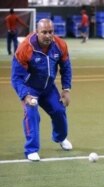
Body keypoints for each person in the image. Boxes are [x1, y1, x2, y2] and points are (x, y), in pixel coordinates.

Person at [11, 19, 73, 162]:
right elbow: (16, 77)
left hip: (49, 88)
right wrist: (24, 95)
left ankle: (60, 138)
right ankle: (31, 150)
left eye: (50, 32)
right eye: (44, 32)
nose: (48, 35)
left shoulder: (60, 45)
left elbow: (66, 68)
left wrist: (66, 89)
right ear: (37, 32)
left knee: (59, 111)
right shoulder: (25, 48)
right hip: (30, 88)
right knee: (32, 115)